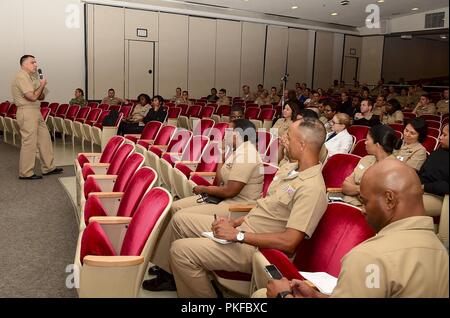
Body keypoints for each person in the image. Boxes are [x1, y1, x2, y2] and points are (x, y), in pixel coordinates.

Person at [149, 118, 327, 297]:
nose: (282, 139)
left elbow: (289, 243)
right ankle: (176, 276)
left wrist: (239, 235)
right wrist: (235, 223)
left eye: (288, 136)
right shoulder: (290, 168)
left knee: (180, 251)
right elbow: (266, 208)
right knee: (180, 220)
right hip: (245, 228)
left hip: (259, 249)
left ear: (302, 144)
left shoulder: (312, 188)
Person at [257, 160, 449, 298]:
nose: (363, 210)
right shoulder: (440, 252)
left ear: (389, 200)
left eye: (364, 202)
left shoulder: (370, 256)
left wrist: (283, 296)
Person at [144, 119, 264, 291]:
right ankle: (167, 266)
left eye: (230, 130)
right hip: (224, 199)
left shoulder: (248, 155)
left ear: (238, 134)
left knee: (180, 216)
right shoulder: (237, 151)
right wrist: (222, 156)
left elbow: (230, 191)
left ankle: (171, 274)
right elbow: (222, 178)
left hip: (235, 206)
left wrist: (205, 188)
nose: (226, 134)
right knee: (175, 207)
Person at [11, 55, 63, 179]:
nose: (36, 64)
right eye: (32, 62)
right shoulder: (21, 76)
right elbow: (33, 97)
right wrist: (41, 85)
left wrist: (40, 87)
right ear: (24, 64)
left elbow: (41, 96)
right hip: (27, 111)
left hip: (36, 110)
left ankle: (48, 167)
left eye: (35, 62)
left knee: (45, 139)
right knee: (29, 142)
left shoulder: (32, 77)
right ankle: (25, 172)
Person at [342, 125, 400, 207]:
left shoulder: (394, 169)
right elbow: (345, 186)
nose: (365, 142)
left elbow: (375, 202)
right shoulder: (365, 159)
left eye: (367, 140)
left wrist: (355, 189)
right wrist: (360, 189)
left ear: (377, 145)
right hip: (348, 204)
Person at [419, 124, 449, 219]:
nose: (440, 137)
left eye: (444, 135)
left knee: (403, 204)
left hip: (440, 197)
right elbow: (423, 171)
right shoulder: (439, 151)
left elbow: (446, 186)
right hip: (421, 189)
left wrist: (424, 187)